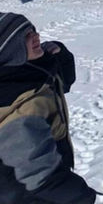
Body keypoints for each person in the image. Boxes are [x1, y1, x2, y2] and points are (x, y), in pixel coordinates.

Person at [0, 12, 96, 204]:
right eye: (25, 36)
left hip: (48, 169)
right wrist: (83, 195)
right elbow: (41, 179)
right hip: (27, 194)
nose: (36, 36)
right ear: (11, 50)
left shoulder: (24, 73)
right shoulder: (23, 106)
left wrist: (59, 55)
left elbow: (63, 81)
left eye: (32, 30)